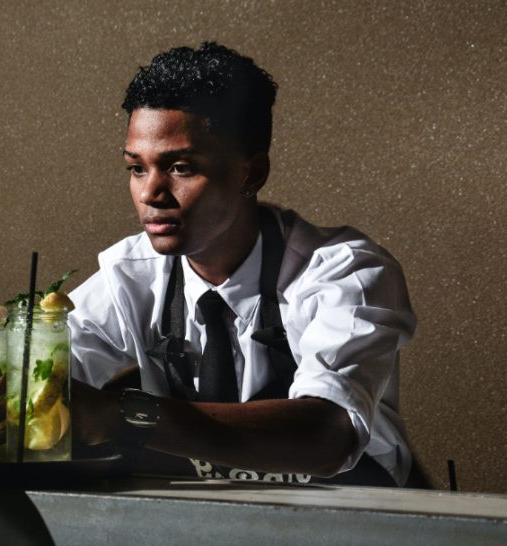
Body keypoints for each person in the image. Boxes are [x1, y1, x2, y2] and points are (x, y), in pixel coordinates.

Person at [68, 43, 416, 486]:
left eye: (181, 167)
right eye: (137, 168)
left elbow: (328, 434)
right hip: (206, 517)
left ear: (251, 173)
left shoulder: (345, 273)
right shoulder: (130, 275)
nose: (150, 193)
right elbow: (32, 370)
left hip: (353, 513)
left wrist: (127, 416)